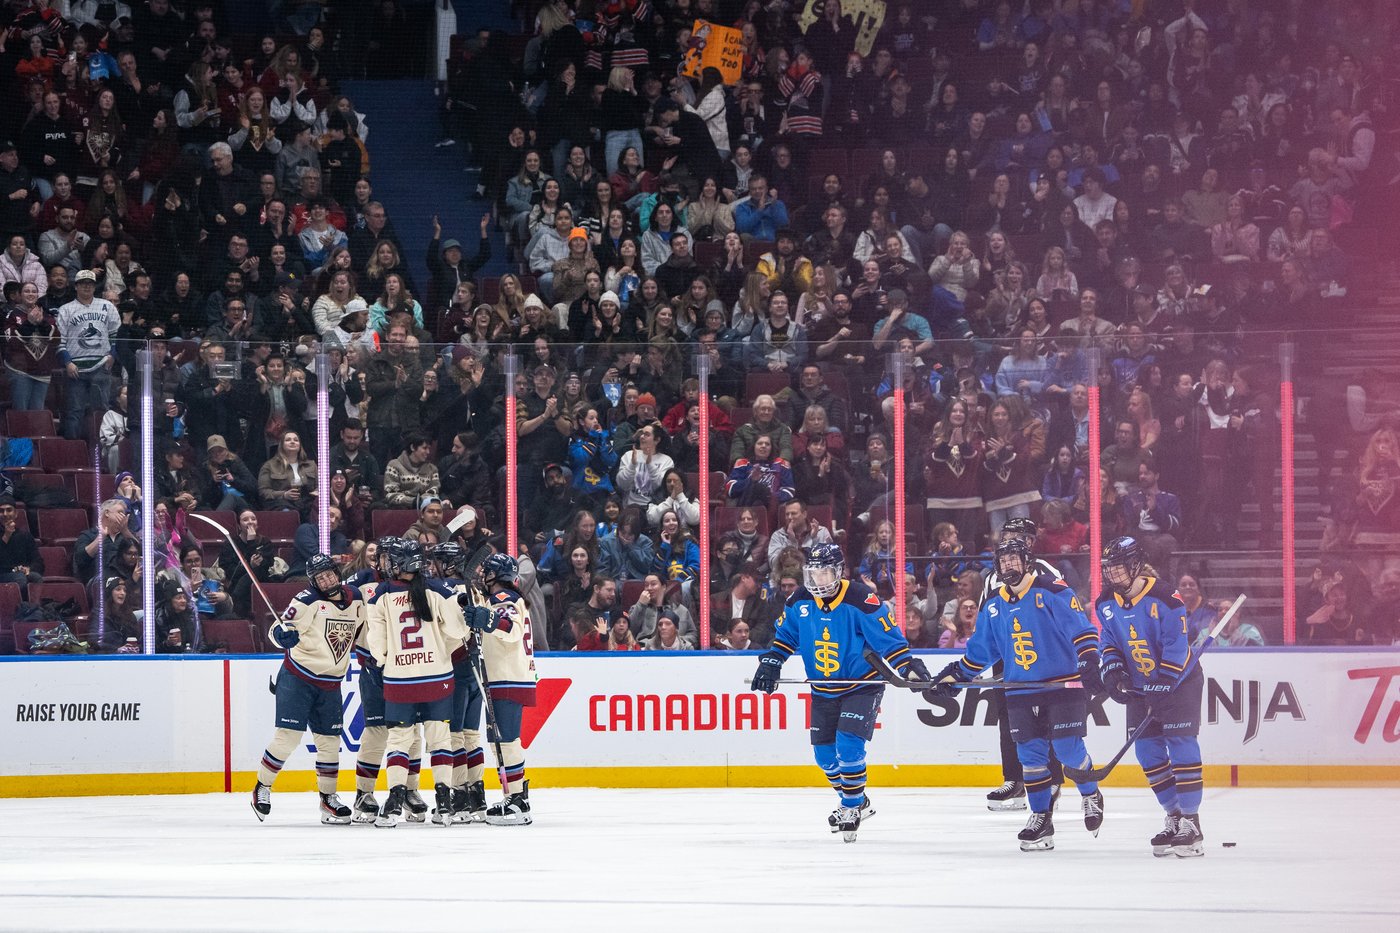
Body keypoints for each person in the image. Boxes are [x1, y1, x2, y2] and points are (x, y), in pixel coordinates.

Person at [928, 537, 1103, 852]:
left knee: (1067, 751)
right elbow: (983, 649)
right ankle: (1040, 818)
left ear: (1027, 561)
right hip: (1021, 689)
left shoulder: (1053, 591)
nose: (1008, 564)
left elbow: (1081, 629)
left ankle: (1090, 793)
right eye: (1003, 560)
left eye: (1014, 559)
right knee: (1031, 759)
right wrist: (956, 675)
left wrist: (1089, 660)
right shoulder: (994, 603)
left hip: (1061, 685)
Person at [749, 543, 931, 840]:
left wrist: (907, 665)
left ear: (838, 572)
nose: (818, 581)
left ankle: (849, 806)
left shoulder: (862, 599)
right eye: (814, 574)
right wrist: (772, 661)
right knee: (824, 757)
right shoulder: (799, 600)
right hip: (823, 688)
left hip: (861, 685)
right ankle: (859, 800)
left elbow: (889, 641)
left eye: (825, 574)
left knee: (848, 745)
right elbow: (786, 635)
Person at [1097, 536, 1207, 858]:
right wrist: (1114, 672)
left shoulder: (1166, 596)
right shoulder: (1104, 603)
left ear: (1134, 566)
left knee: (1181, 744)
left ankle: (1192, 822)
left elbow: (1176, 644)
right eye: (1109, 570)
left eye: (1119, 569)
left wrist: (1164, 682)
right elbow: (1109, 641)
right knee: (1147, 752)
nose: (1113, 576)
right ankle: (1174, 817)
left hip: (1180, 681)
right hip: (1141, 685)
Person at [250, 554, 364, 825]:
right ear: (314, 581)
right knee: (287, 737)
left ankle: (328, 800)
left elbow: (362, 633)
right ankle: (262, 787)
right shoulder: (306, 600)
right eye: (320, 577)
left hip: (331, 683)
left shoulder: (356, 599)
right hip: (298, 678)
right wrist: (281, 636)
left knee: (329, 743)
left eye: (329, 574)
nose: (326, 580)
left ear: (337, 573)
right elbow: (281, 626)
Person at [364, 538, 470, 827]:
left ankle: (396, 800)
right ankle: (444, 804)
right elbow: (459, 631)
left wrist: (386, 661)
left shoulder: (382, 593)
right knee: (440, 740)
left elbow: (377, 643)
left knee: (399, 741)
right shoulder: (438, 589)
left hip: (400, 680)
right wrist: (438, 653)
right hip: (437, 678)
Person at [468, 552, 540, 825]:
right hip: (509, 676)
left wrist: (485, 619)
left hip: (507, 677)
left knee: (507, 740)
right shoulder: (506, 598)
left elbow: (509, 630)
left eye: (485, 571)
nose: (481, 575)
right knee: (501, 740)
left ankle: (518, 800)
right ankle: (514, 796)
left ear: (495, 576)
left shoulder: (504, 598)